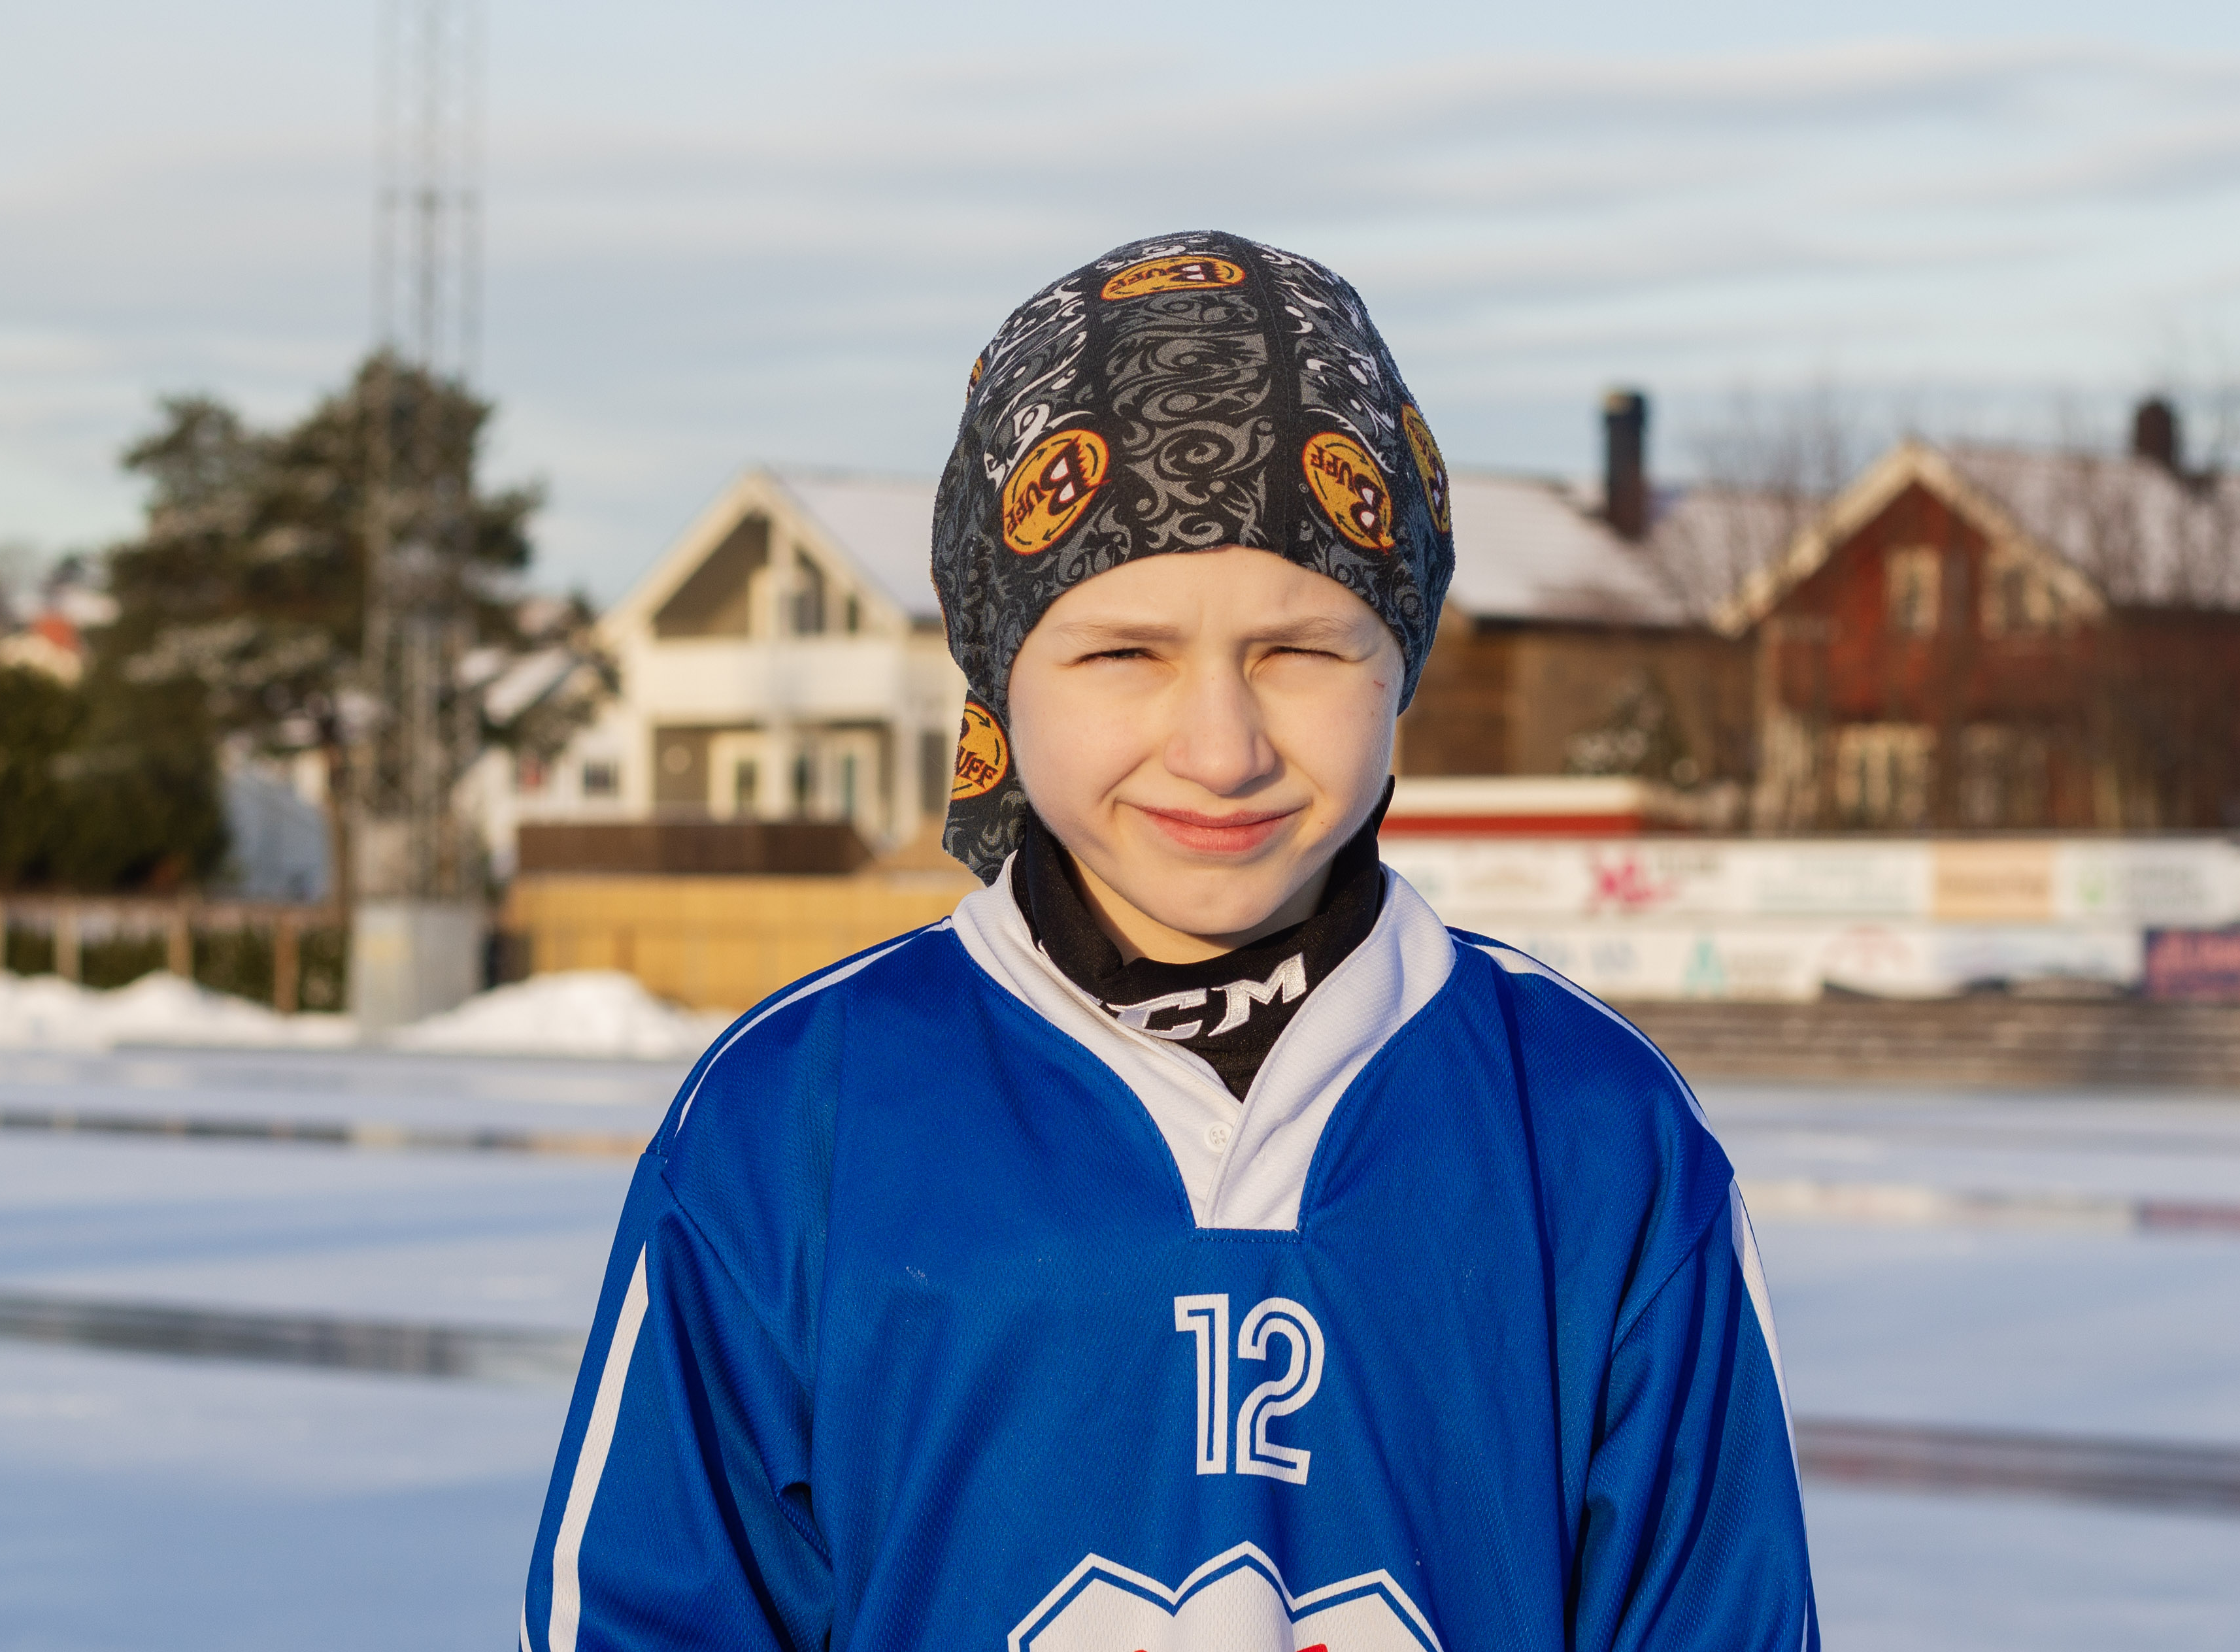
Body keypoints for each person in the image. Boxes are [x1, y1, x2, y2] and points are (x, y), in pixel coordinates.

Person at [520, 230, 1818, 1652]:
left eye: (1301, 650)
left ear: (1401, 661)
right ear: (1000, 673)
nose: (1220, 747)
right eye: (1123, 653)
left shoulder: (1590, 1126)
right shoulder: (801, 1111)